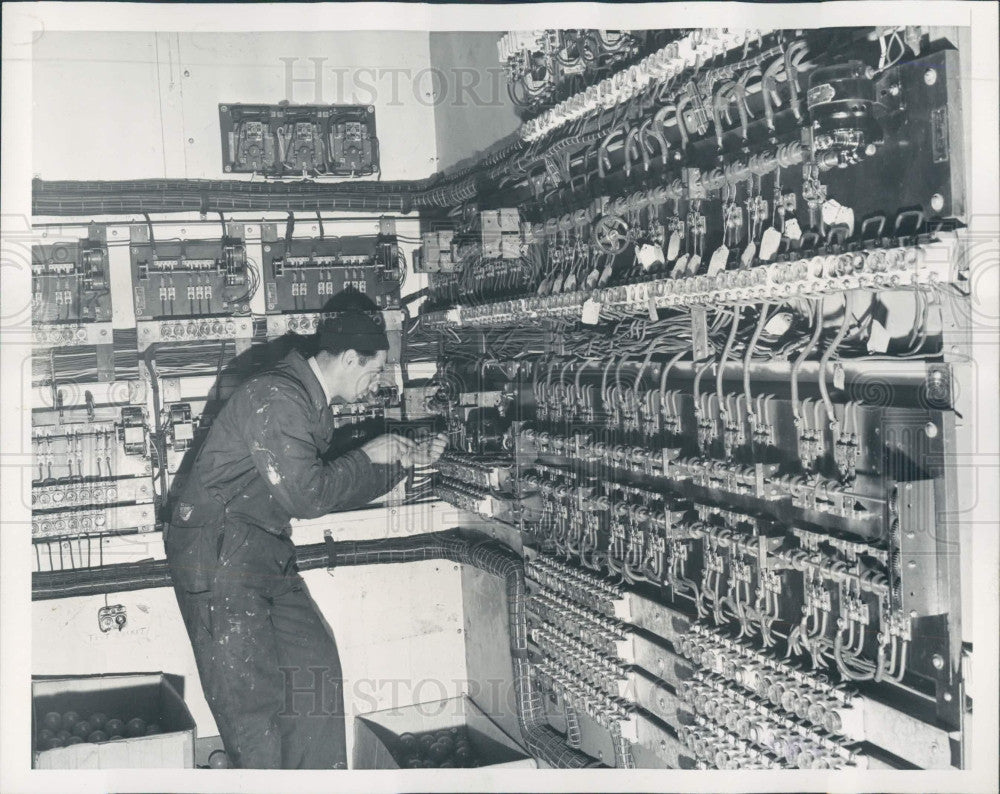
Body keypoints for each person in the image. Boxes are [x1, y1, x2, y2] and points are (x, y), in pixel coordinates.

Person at [164, 308, 446, 769]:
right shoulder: (276, 395)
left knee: (315, 667)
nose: (378, 384)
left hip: (260, 550)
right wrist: (370, 456)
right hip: (217, 557)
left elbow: (329, 477)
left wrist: (400, 459)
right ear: (352, 358)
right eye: (376, 370)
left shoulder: (306, 399)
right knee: (254, 709)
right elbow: (307, 495)